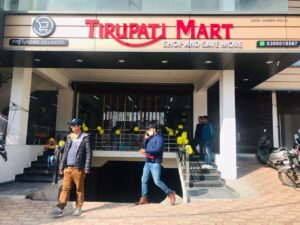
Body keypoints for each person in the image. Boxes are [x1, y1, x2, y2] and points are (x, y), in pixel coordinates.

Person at [50, 118, 92, 218]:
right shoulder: (69, 137)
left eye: (73, 125)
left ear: (79, 126)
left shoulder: (86, 137)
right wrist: (61, 166)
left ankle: (78, 207)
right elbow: (65, 152)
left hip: (79, 168)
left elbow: (89, 153)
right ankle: (60, 207)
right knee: (65, 188)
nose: (71, 127)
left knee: (79, 189)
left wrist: (87, 168)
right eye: (71, 125)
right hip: (68, 168)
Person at [136, 124, 176, 205]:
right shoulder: (149, 137)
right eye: (147, 129)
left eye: (149, 129)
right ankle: (144, 198)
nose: (148, 131)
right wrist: (145, 139)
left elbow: (157, 150)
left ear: (154, 129)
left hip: (155, 162)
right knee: (143, 180)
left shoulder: (159, 138)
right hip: (148, 161)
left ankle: (170, 193)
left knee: (157, 181)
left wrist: (145, 151)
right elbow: (144, 146)